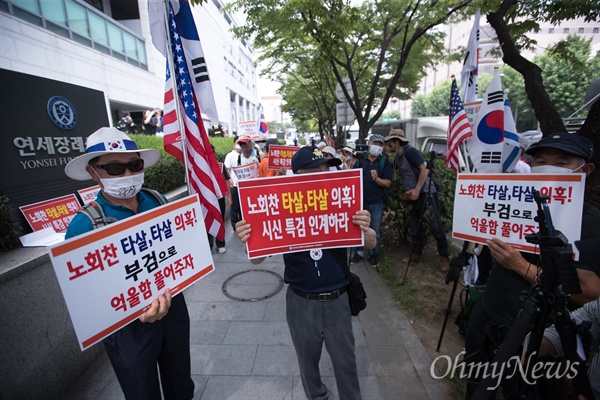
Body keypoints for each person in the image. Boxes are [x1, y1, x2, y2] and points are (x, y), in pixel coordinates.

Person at [464, 132, 600, 399]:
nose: (547, 167)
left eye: (561, 162)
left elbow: (590, 289)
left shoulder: (589, 221)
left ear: (585, 170)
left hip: (540, 335)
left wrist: (521, 267)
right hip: (488, 317)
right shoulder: (509, 202)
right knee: (477, 387)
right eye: (540, 160)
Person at [235, 146, 377, 400]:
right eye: (315, 170)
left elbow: (371, 243)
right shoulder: (281, 206)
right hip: (301, 302)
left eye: (325, 168)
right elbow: (257, 260)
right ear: (297, 175)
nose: (323, 174)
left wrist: (365, 227)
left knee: (346, 361)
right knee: (307, 362)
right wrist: (248, 238)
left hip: (338, 300)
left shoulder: (340, 201)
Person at [64, 127, 194, 400]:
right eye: (114, 168)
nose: (127, 175)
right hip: (128, 327)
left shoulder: (157, 199)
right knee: (141, 390)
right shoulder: (83, 226)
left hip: (172, 304)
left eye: (134, 165)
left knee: (180, 381)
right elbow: (86, 297)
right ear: (93, 172)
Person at [384, 128, 450, 271]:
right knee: (415, 228)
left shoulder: (410, 152)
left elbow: (424, 168)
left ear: (397, 141)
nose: (388, 144)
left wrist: (417, 189)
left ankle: (444, 258)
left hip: (426, 194)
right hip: (414, 198)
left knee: (436, 227)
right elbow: (392, 169)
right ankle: (416, 254)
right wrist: (386, 156)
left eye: (390, 142)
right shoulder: (399, 157)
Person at [349, 134, 392, 268]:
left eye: (380, 144)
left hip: (376, 202)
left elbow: (388, 183)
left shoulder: (384, 162)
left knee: (375, 230)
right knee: (358, 227)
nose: (377, 146)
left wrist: (377, 179)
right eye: (375, 143)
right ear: (369, 144)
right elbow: (352, 178)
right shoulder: (361, 161)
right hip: (360, 202)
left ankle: (373, 254)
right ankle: (359, 251)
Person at [224, 135, 259, 230]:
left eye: (245, 144)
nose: (244, 146)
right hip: (242, 187)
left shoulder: (258, 154)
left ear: (250, 143)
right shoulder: (239, 158)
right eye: (241, 144)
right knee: (241, 207)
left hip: (256, 188)